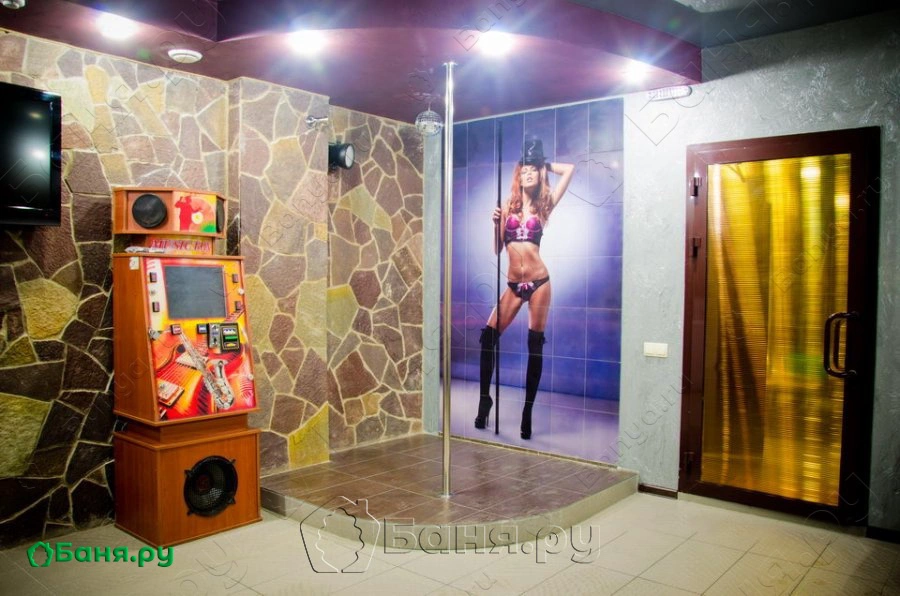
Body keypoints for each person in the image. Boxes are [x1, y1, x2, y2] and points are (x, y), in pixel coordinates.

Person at [476, 137, 575, 439]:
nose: (529, 174)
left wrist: (542, 163)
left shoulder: (546, 204)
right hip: (513, 285)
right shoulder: (508, 206)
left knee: (535, 345)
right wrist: (496, 224)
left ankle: (527, 411)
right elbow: (496, 249)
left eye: (534, 170)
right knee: (488, 338)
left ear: (540, 173)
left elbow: (569, 169)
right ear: (518, 175)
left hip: (539, 283)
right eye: (524, 170)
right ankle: (485, 400)